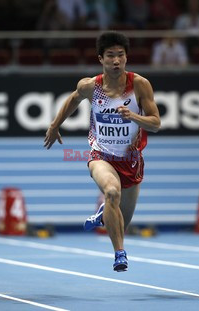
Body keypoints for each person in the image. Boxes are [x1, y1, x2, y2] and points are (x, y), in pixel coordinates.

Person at [44, 31, 160, 272]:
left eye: (120, 55)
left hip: (131, 160)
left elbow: (156, 123)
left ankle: (103, 214)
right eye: (110, 56)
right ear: (101, 59)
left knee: (122, 221)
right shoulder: (90, 86)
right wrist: (55, 126)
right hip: (101, 156)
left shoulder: (139, 85)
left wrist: (134, 116)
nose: (116, 60)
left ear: (126, 58)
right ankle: (120, 254)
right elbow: (73, 100)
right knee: (111, 192)